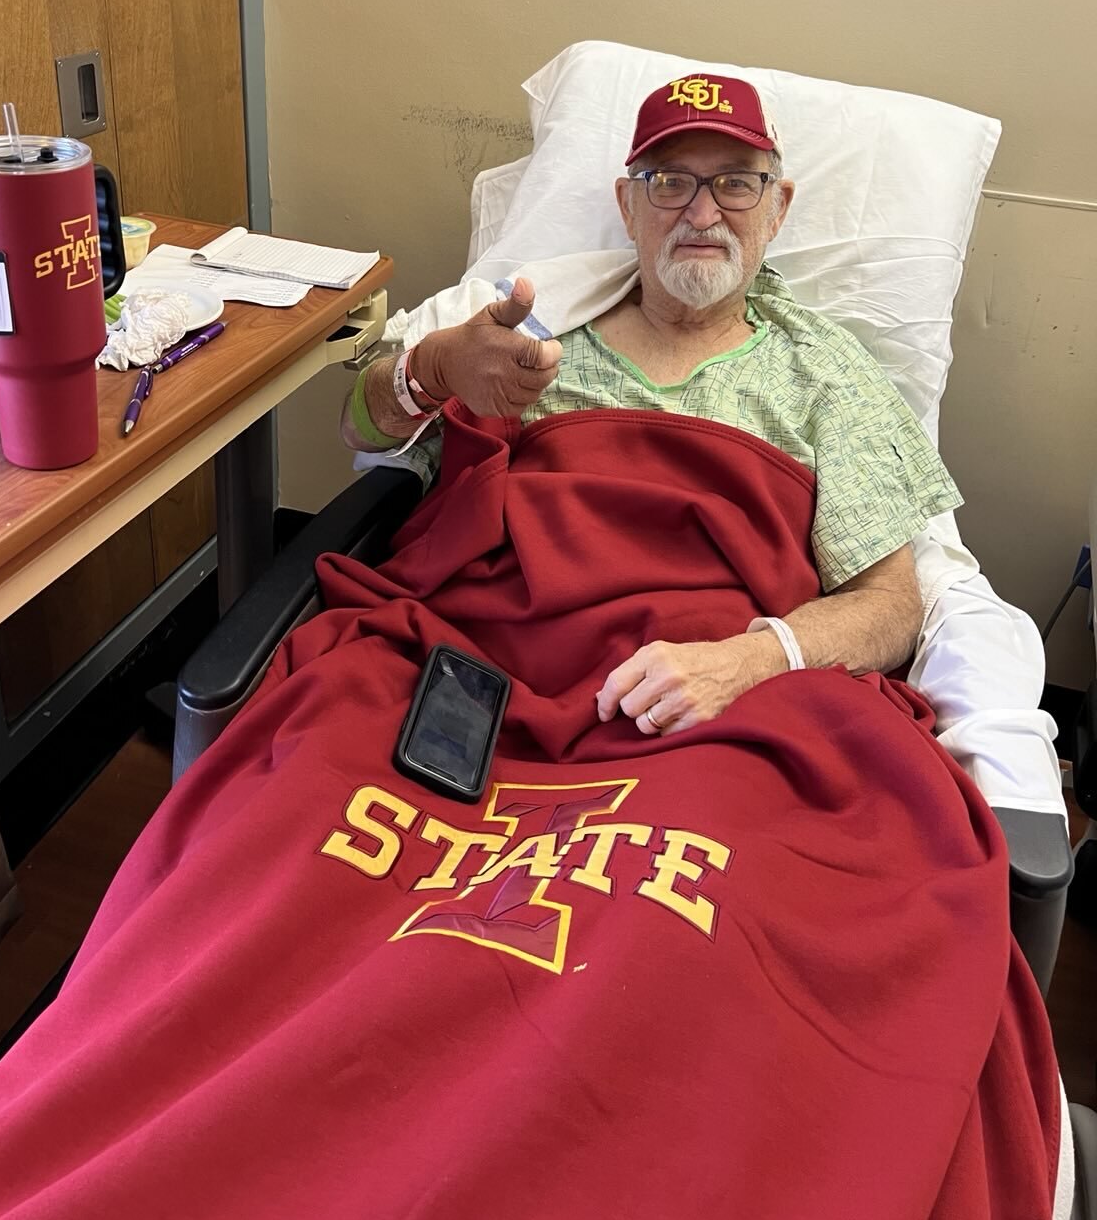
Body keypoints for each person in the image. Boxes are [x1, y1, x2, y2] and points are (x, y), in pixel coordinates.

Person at [342, 73, 961, 738]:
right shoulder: (524, 331)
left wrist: (746, 663)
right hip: (489, 684)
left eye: (735, 182)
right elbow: (362, 430)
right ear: (628, 206)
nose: (701, 214)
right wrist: (430, 369)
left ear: (777, 207)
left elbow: (892, 606)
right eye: (669, 182)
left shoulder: (826, 373)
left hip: (715, 710)